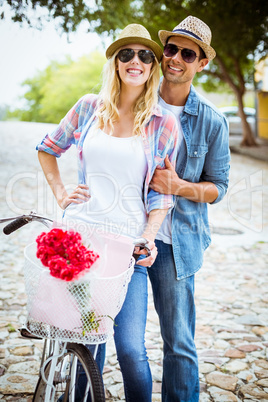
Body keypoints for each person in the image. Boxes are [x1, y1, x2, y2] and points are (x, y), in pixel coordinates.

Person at [36, 24, 179, 401]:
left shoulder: (163, 124)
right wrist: (63, 193)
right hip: (80, 239)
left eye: (145, 55)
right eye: (126, 54)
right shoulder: (88, 107)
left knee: (131, 349)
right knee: (86, 344)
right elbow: (47, 148)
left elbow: (161, 193)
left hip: (126, 248)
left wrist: (150, 234)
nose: (136, 61)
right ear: (115, 63)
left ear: (152, 67)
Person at [149, 16, 231, 402]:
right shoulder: (137, 102)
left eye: (188, 52)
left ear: (202, 63)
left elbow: (220, 187)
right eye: (171, 48)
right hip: (127, 234)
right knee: (95, 330)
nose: (176, 58)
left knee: (179, 343)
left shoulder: (213, 122)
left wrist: (178, 186)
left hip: (175, 246)